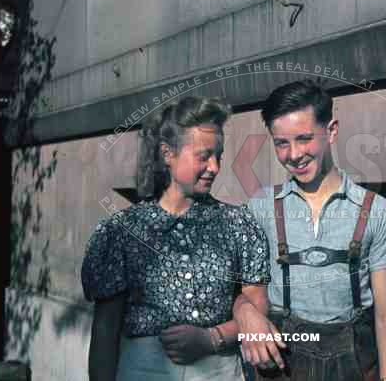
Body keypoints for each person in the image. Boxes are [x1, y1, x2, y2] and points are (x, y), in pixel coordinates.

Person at [233, 80, 386, 381]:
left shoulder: (376, 211)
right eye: (282, 143)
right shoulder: (261, 207)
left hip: (354, 365)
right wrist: (244, 312)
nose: (294, 154)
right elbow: (237, 290)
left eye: (304, 139)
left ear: (331, 131)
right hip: (283, 365)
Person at [81, 97, 270, 381]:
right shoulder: (121, 231)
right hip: (142, 371)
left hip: (218, 371)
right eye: (203, 156)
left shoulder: (238, 224)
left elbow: (258, 309)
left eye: (218, 155)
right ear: (168, 154)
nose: (215, 167)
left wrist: (212, 338)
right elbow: (105, 332)